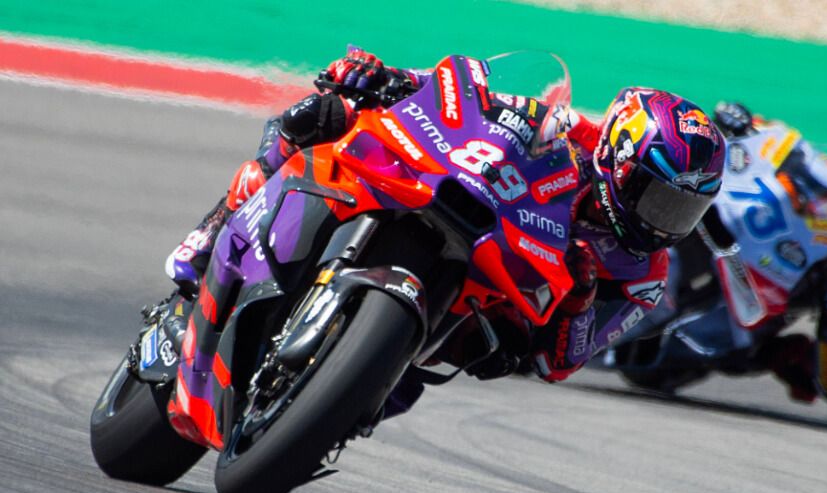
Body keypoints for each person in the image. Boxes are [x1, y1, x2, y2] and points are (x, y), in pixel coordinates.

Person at [164, 49, 726, 394]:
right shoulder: (568, 132)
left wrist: (578, 301)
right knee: (322, 116)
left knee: (398, 391)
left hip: (475, 314)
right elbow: (465, 98)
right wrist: (385, 77)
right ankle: (211, 234)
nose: (663, 222)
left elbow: (564, 362)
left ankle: (328, 402)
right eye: (656, 198)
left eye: (682, 210)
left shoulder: (643, 273)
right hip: (464, 207)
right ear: (617, 160)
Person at [609, 102, 827, 403]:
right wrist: (745, 125)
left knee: (777, 359)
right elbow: (791, 147)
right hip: (740, 231)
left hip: (753, 320)